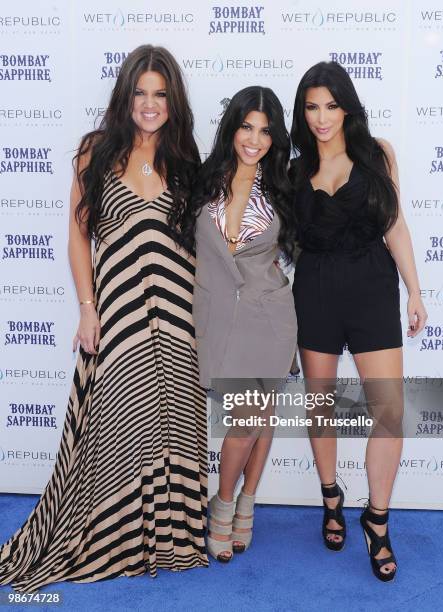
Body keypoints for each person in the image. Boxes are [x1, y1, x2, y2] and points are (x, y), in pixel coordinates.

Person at [0, 45, 208, 592]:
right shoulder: (96, 151)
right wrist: (87, 308)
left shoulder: (186, 158)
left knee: (173, 424)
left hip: (179, 315)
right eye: (140, 92)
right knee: (120, 424)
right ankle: (112, 535)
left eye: (160, 94)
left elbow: (202, 242)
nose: (149, 103)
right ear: (125, 96)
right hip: (118, 311)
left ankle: (170, 536)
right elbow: (78, 232)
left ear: (173, 101)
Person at [290, 61, 427, 582]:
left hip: (372, 288)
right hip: (316, 292)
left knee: (388, 410)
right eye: (311, 106)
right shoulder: (293, 170)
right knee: (322, 405)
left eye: (330, 104)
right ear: (303, 112)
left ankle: (378, 520)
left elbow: (394, 224)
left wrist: (414, 289)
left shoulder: (377, 154)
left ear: (347, 105)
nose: (322, 117)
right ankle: (331, 495)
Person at [186, 86, 297, 562]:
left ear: (275, 138)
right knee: (247, 421)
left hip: (268, 316)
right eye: (247, 127)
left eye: (266, 131)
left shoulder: (284, 187)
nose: (254, 139)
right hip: (216, 317)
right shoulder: (202, 181)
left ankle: (238, 502)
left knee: (259, 416)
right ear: (232, 127)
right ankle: (229, 501)